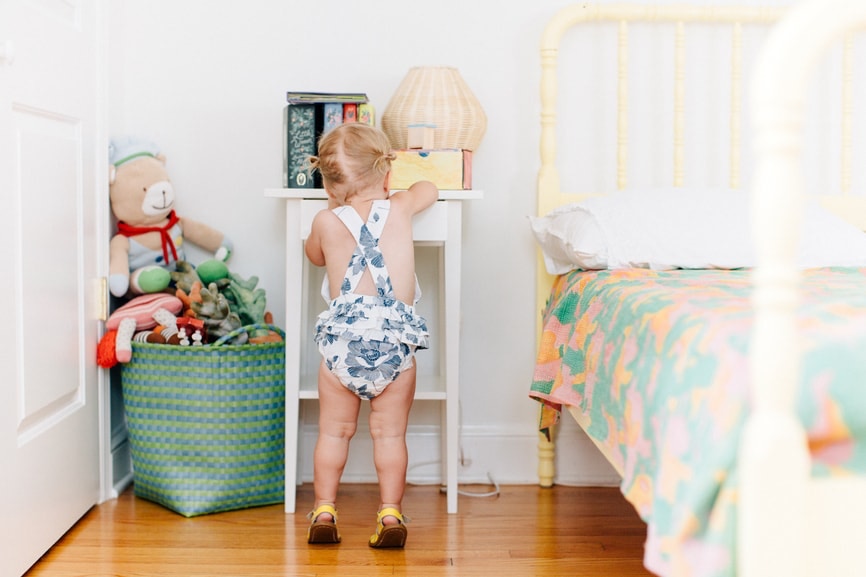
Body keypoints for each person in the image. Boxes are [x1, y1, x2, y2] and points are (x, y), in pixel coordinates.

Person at [303, 123, 438, 548]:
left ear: (329, 182)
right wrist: (402, 187)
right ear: (385, 174)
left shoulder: (325, 219)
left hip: (343, 346)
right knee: (390, 434)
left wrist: (330, 211)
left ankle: (324, 509)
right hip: (394, 346)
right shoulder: (400, 206)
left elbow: (314, 256)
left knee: (334, 432)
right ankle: (391, 514)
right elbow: (428, 188)